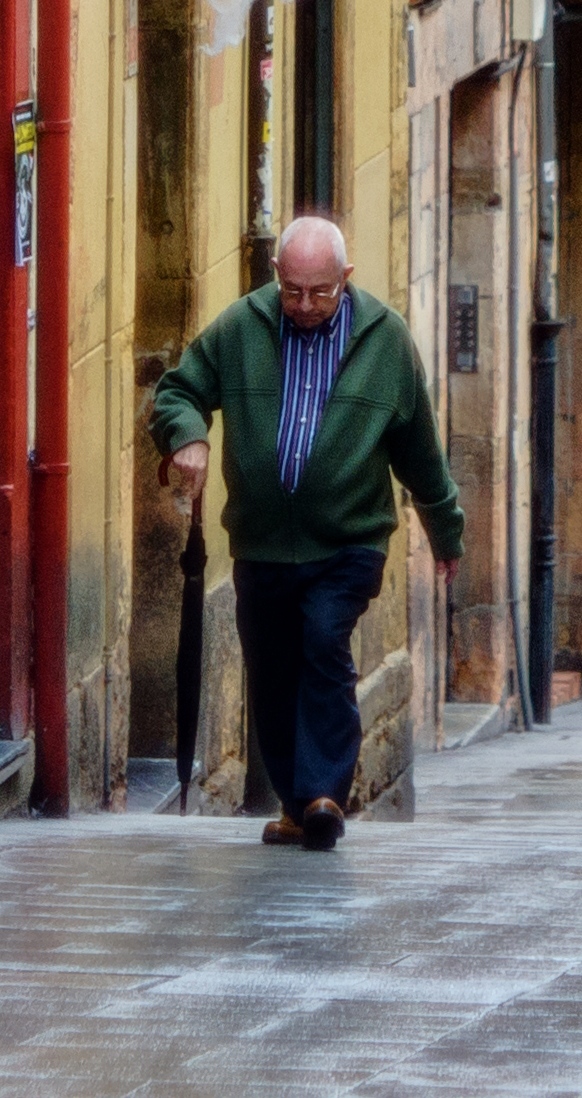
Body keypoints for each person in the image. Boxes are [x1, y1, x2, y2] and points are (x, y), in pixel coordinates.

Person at [149, 213, 464, 850]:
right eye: (293, 290)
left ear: (345, 279)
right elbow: (178, 390)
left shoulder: (386, 341)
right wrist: (187, 438)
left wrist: (444, 530)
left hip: (349, 539)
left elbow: (420, 450)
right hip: (262, 542)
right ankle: (300, 806)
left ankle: (325, 795)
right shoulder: (243, 326)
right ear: (277, 277)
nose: (304, 305)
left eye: (320, 292)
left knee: (323, 642)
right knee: (271, 666)